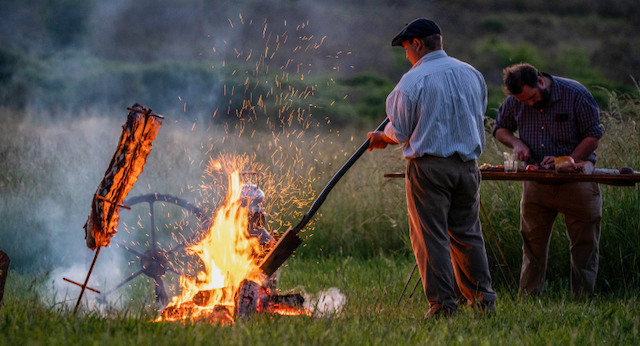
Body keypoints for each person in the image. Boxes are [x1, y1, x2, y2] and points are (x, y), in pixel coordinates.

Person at [367, 18, 496, 318]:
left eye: (406, 49)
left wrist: (381, 137)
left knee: (431, 237)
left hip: (429, 168)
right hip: (467, 167)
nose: (406, 55)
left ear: (417, 44)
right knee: (468, 234)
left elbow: (399, 131)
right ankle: (483, 302)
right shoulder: (471, 74)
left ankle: (442, 306)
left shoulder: (412, 80)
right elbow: (476, 114)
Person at [493, 63, 603, 298]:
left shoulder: (576, 94)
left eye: (532, 97)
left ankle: (584, 299)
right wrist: (517, 143)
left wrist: (568, 160)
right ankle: (529, 298)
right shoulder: (516, 100)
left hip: (577, 181)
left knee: (584, 246)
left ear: (540, 82)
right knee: (532, 246)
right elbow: (500, 128)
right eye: (525, 102)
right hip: (536, 182)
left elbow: (593, 135)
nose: (530, 104)